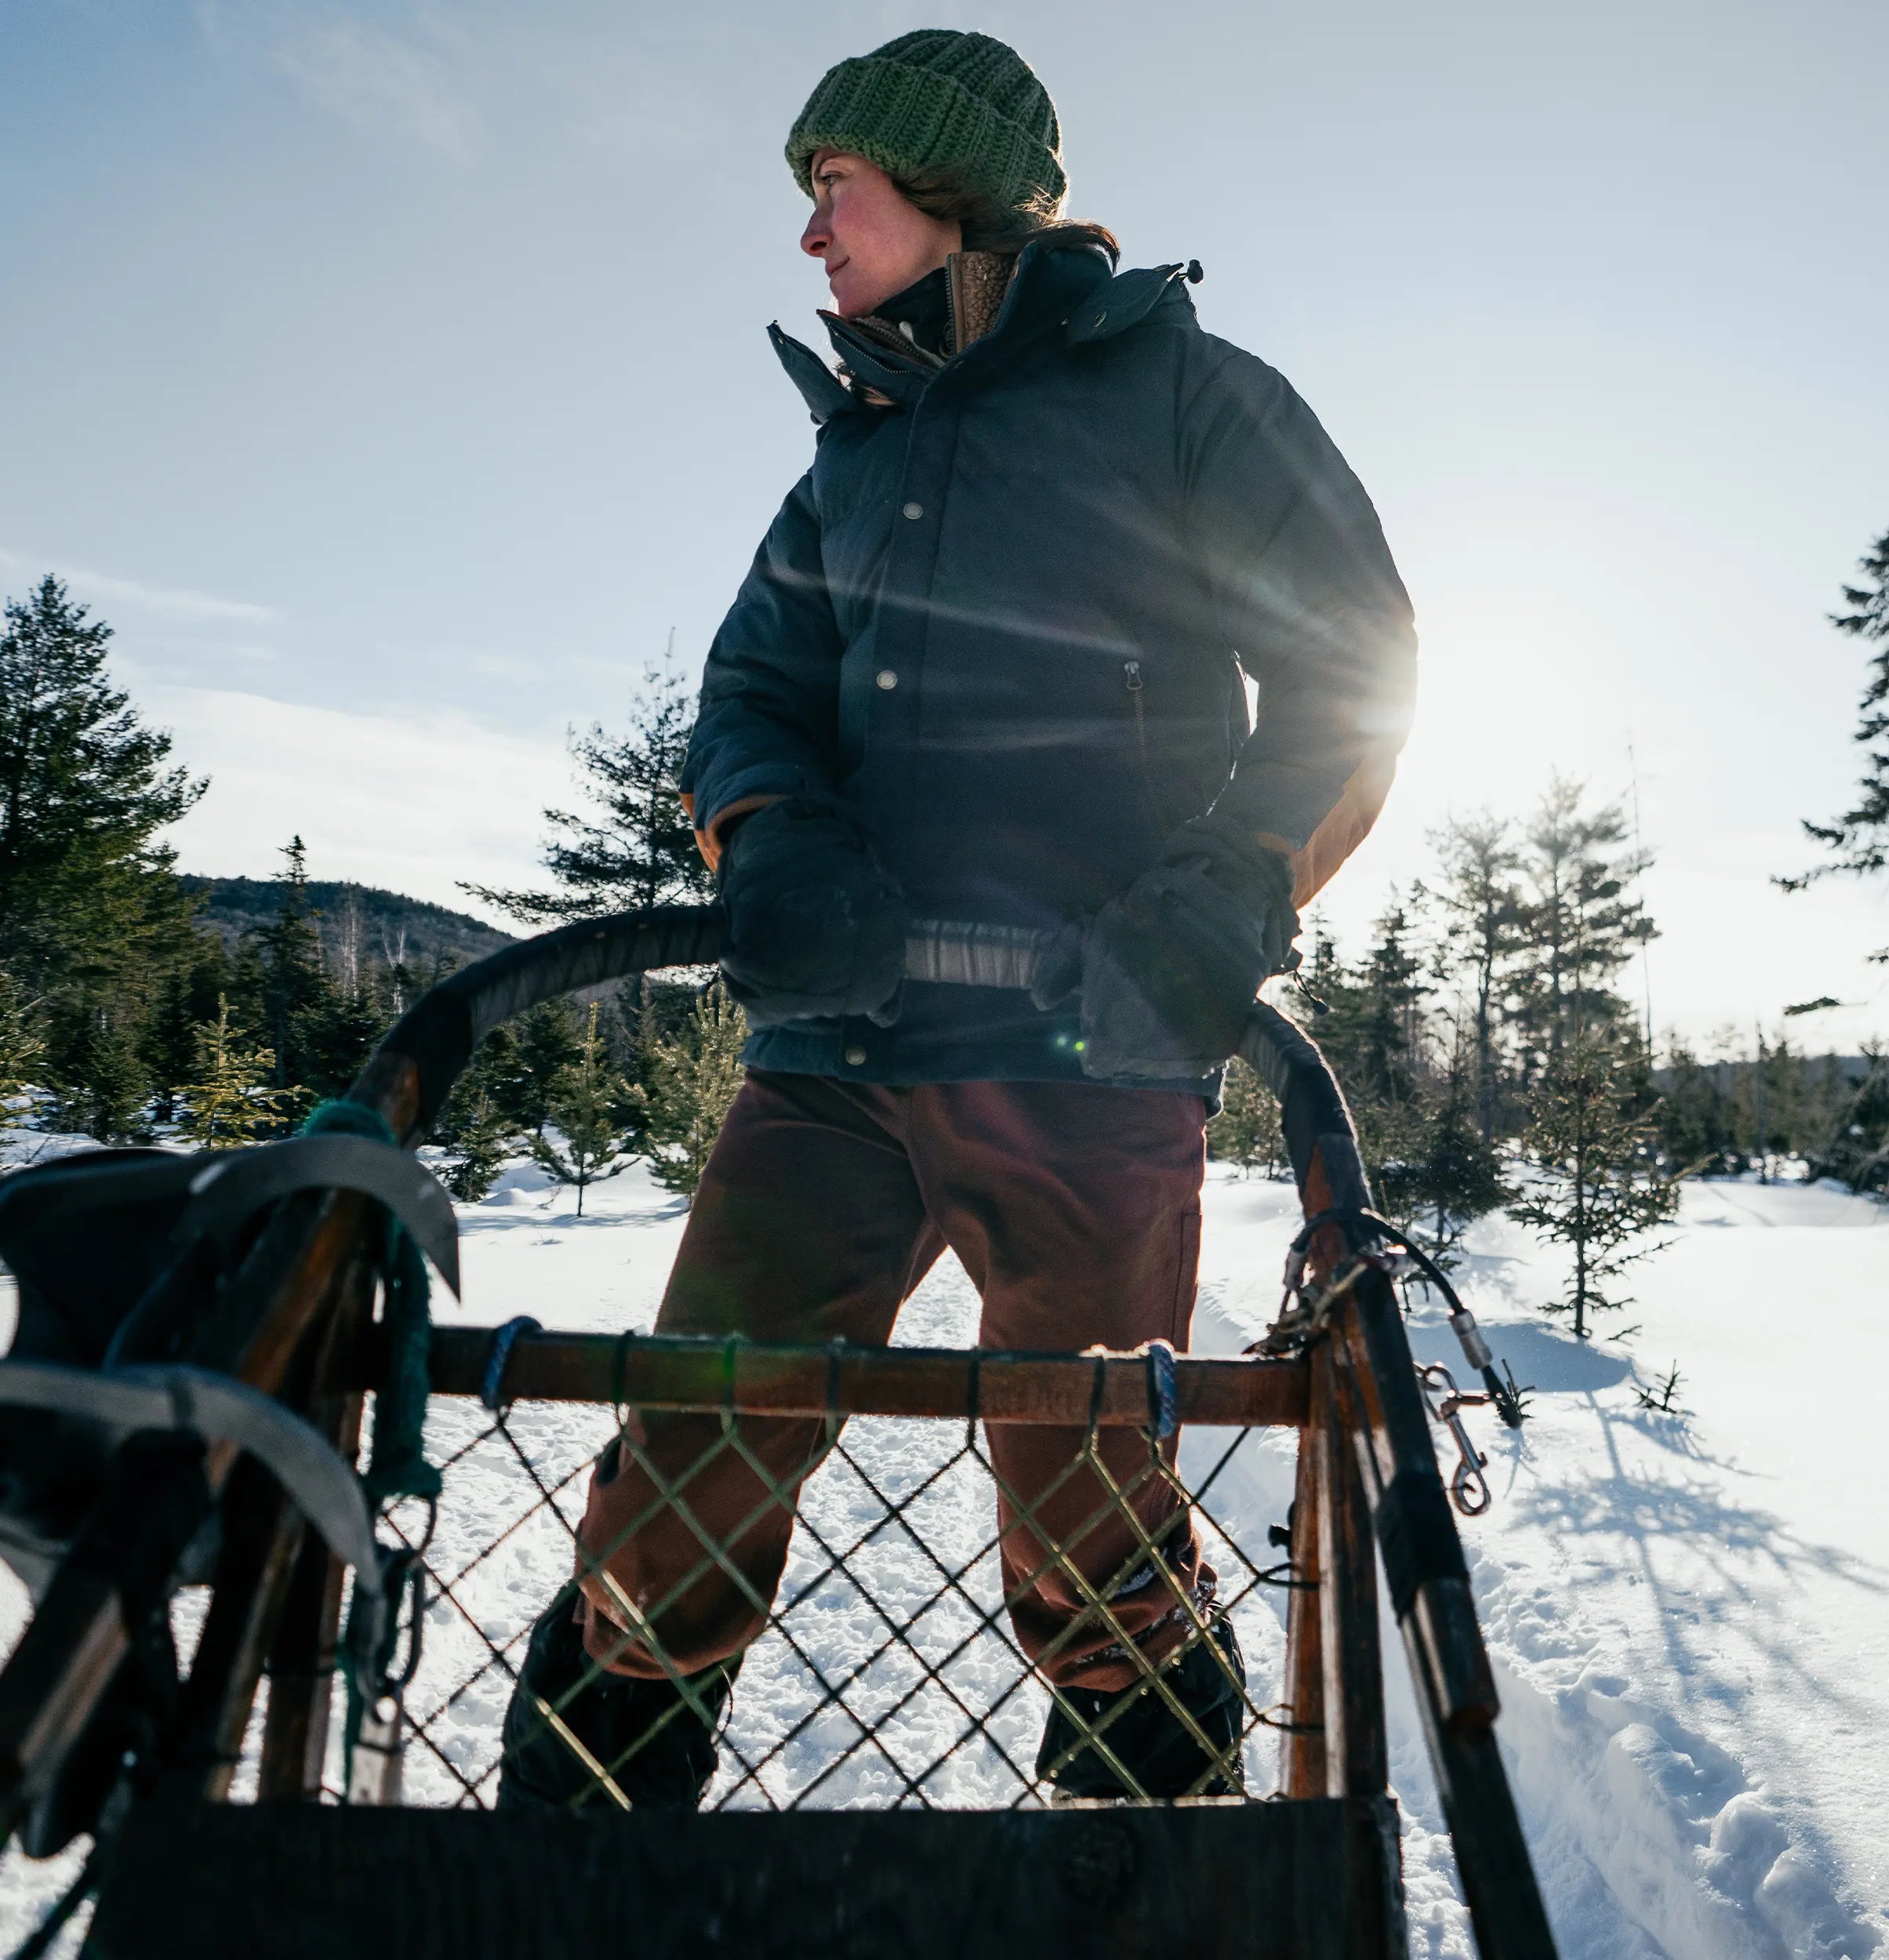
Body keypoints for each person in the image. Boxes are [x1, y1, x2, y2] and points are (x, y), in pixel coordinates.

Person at [498, 26, 1415, 1811]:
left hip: (1090, 1040)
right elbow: (749, 690)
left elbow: (1349, 666)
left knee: (1077, 1478)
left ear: (949, 193)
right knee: (695, 1436)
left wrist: (1225, 891)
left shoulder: (1184, 397)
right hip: (831, 1046)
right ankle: (594, 1805)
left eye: (830, 188)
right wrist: (770, 842)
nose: (808, 235)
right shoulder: (849, 448)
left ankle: (1140, 1810)